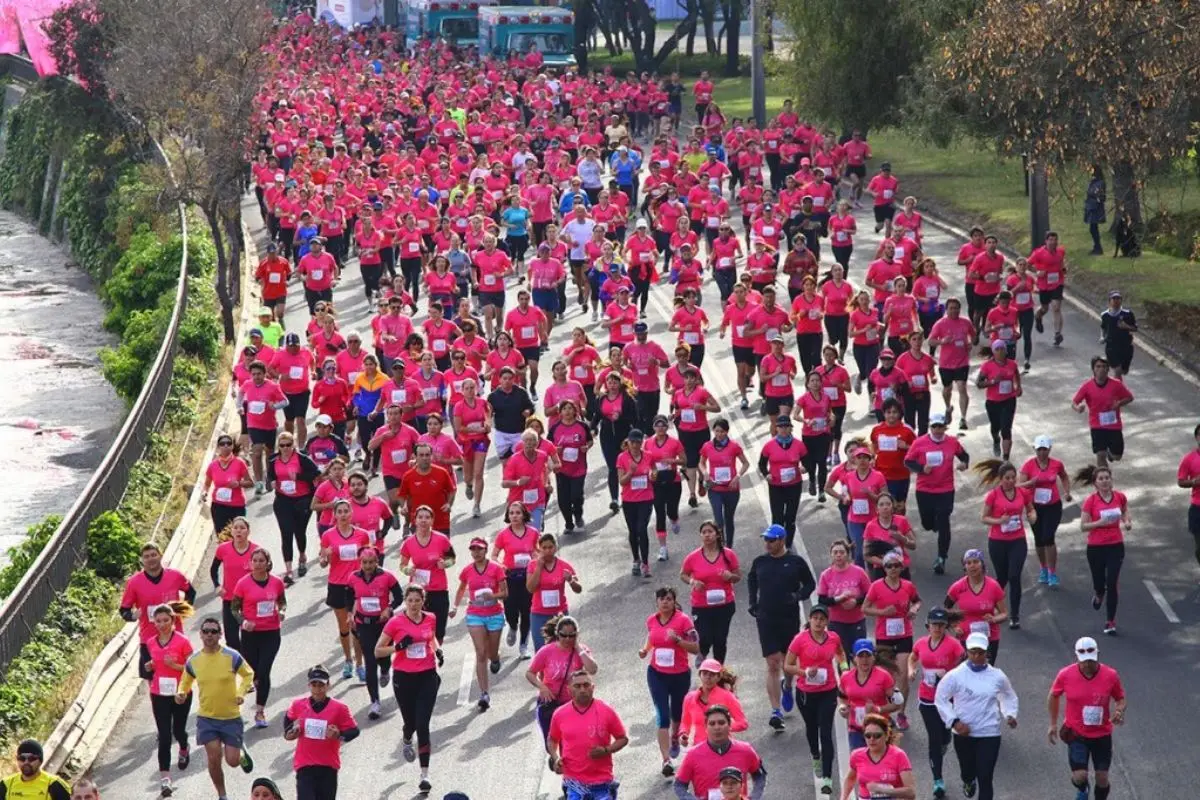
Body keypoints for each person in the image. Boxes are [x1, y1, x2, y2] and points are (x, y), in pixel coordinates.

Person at [175, 618, 255, 800]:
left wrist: (241, 692)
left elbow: (248, 674)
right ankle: (222, 794)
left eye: (213, 631)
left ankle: (240, 752)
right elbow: (185, 681)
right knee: (213, 756)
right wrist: (181, 693)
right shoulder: (194, 660)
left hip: (231, 717)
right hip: (207, 718)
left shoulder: (232, 656)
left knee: (232, 761)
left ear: (220, 635)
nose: (209, 635)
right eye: (206, 631)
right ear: (201, 635)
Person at [747, 523, 816, 730]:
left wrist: (797, 596)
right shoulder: (760, 562)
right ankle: (775, 711)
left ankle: (788, 685)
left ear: (782, 540)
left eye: (771, 540)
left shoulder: (795, 562)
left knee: (788, 661)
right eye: (766, 540)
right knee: (772, 664)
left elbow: (810, 584)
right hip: (766, 618)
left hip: (788, 617)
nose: (767, 544)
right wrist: (753, 602)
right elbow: (752, 580)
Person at [934, 632, 1019, 800]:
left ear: (987, 653)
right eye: (973, 652)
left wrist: (1010, 714)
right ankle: (967, 780)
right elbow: (940, 698)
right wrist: (954, 722)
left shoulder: (997, 675)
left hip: (989, 732)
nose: (976, 656)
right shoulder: (956, 675)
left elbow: (1008, 695)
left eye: (980, 652)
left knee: (985, 777)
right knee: (967, 771)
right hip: (964, 732)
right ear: (967, 652)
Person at [376, 586, 442, 794]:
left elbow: (431, 637)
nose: (414, 605)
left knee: (423, 724)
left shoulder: (430, 618)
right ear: (405, 601)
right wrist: (397, 647)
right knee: (411, 723)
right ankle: (406, 737)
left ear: (423, 601)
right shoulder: (395, 622)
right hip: (404, 678)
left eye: (417, 600)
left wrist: (438, 650)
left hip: (427, 675)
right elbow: (378, 650)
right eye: (410, 601)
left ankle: (424, 775)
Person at [1048, 637, 1127, 800]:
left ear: (1097, 655)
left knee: (1102, 778)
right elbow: (1053, 696)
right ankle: (1082, 788)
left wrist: (1119, 711)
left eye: (1091, 661)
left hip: (1102, 734)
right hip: (1076, 734)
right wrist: (1053, 724)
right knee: (1080, 776)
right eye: (1083, 661)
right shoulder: (1065, 674)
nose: (1087, 665)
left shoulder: (1110, 675)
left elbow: (1121, 698)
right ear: (1076, 656)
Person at [784, 605, 845, 794]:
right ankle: (815, 755)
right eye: (815, 618)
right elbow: (787, 665)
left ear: (827, 622)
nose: (818, 622)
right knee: (812, 729)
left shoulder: (833, 638)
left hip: (828, 691)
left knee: (826, 733)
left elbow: (840, 654)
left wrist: (845, 669)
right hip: (806, 693)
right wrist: (804, 672)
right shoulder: (799, 640)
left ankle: (827, 777)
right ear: (810, 620)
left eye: (822, 619)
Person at [639, 586, 699, 776]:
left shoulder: (683, 621)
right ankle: (666, 760)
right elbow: (651, 638)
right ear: (656, 601)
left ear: (674, 602)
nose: (665, 602)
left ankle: (675, 737)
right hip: (657, 674)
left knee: (677, 714)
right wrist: (645, 650)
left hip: (680, 674)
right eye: (662, 599)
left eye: (669, 599)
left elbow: (696, 648)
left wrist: (679, 641)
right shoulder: (651, 620)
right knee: (662, 715)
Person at [908, 607, 965, 799]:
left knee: (943, 735)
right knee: (933, 739)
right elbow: (913, 657)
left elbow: (963, 661)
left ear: (945, 626)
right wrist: (911, 670)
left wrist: (949, 674)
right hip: (927, 698)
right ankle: (938, 780)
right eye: (934, 625)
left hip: (947, 699)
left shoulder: (953, 644)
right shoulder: (921, 643)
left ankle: (946, 739)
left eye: (941, 625)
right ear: (928, 626)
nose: (938, 628)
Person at [548, 671, 629, 800]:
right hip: (573, 781)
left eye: (586, 685)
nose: (582, 689)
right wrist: (556, 758)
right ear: (569, 690)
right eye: (577, 686)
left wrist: (606, 750)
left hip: (602, 782)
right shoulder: (560, 714)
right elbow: (552, 740)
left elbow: (623, 738)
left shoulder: (606, 710)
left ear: (593, 687)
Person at [863, 551, 921, 730]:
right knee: (886, 678)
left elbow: (917, 601)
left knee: (902, 675)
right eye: (889, 566)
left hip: (904, 634)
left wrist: (914, 610)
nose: (893, 569)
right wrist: (882, 613)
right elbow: (864, 608)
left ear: (901, 567)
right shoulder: (876, 587)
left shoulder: (908, 586)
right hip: (884, 637)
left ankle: (902, 713)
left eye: (896, 565)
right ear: (884, 568)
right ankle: (885, 714)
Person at [906, 412, 970, 575]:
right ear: (930, 427)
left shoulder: (952, 442)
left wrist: (964, 463)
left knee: (944, 520)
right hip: (925, 489)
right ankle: (933, 523)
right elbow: (908, 461)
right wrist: (921, 469)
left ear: (944, 427)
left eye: (940, 426)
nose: (937, 430)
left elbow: (964, 456)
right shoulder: (919, 443)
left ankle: (941, 557)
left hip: (945, 489)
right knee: (927, 524)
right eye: (934, 426)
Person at [283, 665, 360, 800]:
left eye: (321, 685)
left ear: (328, 685)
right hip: (304, 765)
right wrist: (289, 734)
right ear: (309, 685)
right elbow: (287, 723)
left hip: (328, 766)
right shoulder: (298, 705)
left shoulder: (339, 708)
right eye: (314, 684)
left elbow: (354, 731)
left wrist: (338, 735)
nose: (317, 689)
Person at [230, 548, 286, 728]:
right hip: (250, 634)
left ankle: (260, 710)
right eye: (255, 560)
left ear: (268, 563)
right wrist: (243, 621)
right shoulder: (243, 584)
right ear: (250, 563)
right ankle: (255, 683)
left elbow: (282, 602)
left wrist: (282, 612)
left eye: (262, 560)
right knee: (254, 672)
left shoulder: (276, 582)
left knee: (264, 670)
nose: (258, 564)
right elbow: (234, 608)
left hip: (271, 632)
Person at [976, 460, 1036, 628]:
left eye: (1013, 477)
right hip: (998, 541)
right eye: (1007, 478)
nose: (1011, 481)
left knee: (1014, 576)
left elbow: (1030, 508)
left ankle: (1014, 615)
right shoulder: (993, 495)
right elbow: (983, 517)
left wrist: (1032, 516)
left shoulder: (1022, 493)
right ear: (1001, 479)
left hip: (1017, 540)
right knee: (1002, 577)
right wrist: (999, 520)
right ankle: (992, 604)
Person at [452, 537, 509, 711]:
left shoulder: (496, 569)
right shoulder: (467, 570)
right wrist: (455, 607)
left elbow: (505, 593)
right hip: (475, 614)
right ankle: (484, 693)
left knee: (491, 652)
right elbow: (461, 588)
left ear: (485, 550)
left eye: (479, 549)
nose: (476, 553)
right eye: (473, 549)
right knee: (481, 652)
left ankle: (496, 657)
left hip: (494, 614)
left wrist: (493, 596)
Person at [345, 546, 402, 720]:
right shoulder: (353, 578)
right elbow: (348, 596)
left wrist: (389, 609)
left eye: (371, 562)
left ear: (377, 562)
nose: (367, 566)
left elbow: (399, 596)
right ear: (360, 562)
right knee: (370, 661)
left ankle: (385, 670)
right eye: (364, 563)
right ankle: (375, 702)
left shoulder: (387, 577)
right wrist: (350, 614)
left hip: (383, 624)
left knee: (383, 658)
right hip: (364, 624)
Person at [143, 605, 193, 797]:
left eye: (166, 620)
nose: (162, 624)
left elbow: (192, 669)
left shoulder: (183, 642)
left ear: (173, 621)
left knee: (178, 730)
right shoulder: (151, 642)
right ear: (154, 623)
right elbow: (156, 662)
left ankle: (184, 746)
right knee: (164, 735)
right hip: (159, 692)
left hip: (180, 692)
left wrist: (176, 666)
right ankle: (165, 779)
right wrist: (151, 665)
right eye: (158, 621)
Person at [1077, 466, 1131, 635]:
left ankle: (1110, 621)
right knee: (1100, 583)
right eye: (1101, 479)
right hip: (1096, 547)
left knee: (1112, 582)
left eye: (1107, 477)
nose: (1105, 481)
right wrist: (1099, 523)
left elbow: (1125, 511)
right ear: (1095, 483)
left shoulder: (1119, 497)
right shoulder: (1091, 501)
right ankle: (1099, 594)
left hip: (1115, 545)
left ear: (1111, 480)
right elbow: (1083, 526)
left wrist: (1127, 521)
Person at [528, 615, 599, 744]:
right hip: (550, 704)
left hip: (573, 704)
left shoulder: (581, 650)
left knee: (570, 742)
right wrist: (542, 687)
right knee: (552, 742)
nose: (567, 639)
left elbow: (592, 669)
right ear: (557, 634)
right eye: (563, 635)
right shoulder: (546, 651)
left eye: (571, 636)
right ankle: (556, 761)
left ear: (576, 635)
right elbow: (530, 673)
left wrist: (578, 648)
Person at [674, 705, 767, 800]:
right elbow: (679, 785)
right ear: (706, 727)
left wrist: (754, 797)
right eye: (712, 724)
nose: (717, 727)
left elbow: (760, 776)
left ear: (730, 725)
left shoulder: (746, 750)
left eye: (721, 723)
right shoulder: (692, 755)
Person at [680, 520, 741, 665]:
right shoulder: (693, 557)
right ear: (700, 536)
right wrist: (693, 582)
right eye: (704, 532)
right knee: (705, 637)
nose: (707, 535)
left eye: (710, 532)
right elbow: (683, 574)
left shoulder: (728, 554)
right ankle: (702, 652)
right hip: (701, 605)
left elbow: (738, 576)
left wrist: (730, 577)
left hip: (724, 604)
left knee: (720, 639)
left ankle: (718, 670)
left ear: (717, 534)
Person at [1019, 435, 1071, 587]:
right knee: (1039, 539)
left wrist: (1067, 492)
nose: (1042, 453)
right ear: (1035, 449)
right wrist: (1031, 482)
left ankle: (1052, 573)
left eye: (1045, 449)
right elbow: (1019, 486)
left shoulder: (1056, 464)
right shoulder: (1028, 465)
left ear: (1050, 449)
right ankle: (1043, 568)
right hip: (1034, 506)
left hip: (1052, 505)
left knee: (1048, 537)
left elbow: (1064, 476)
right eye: (1039, 449)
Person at [944, 550, 1007, 664]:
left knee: (985, 673)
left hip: (989, 638)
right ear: (965, 567)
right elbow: (945, 610)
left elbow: (1004, 614)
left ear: (982, 564)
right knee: (967, 673)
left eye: (975, 562)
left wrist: (994, 619)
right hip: (965, 637)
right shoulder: (957, 587)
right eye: (968, 563)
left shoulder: (994, 586)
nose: (972, 566)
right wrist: (954, 626)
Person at [837, 639, 901, 750]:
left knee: (880, 764)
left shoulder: (883, 676)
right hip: (856, 729)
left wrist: (878, 709)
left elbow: (897, 703)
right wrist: (842, 707)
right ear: (854, 658)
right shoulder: (846, 677)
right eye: (861, 656)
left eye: (868, 655)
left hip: (879, 730)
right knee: (860, 765)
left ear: (873, 657)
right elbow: (842, 698)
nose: (864, 660)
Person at [1072, 356, 1134, 469]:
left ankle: (1111, 455)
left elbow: (1130, 397)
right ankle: (1104, 477)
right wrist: (1078, 408)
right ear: (1093, 369)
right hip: (1096, 425)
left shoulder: (1116, 384)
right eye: (1098, 366)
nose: (1101, 369)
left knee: (1117, 456)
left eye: (1104, 367)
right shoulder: (1087, 386)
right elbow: (1074, 402)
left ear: (1108, 369)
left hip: (1113, 425)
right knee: (1100, 454)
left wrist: (1119, 404)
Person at [527, 532, 583, 652]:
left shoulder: (564, 565)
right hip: (539, 613)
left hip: (559, 613)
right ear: (539, 548)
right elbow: (530, 588)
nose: (547, 551)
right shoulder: (533, 565)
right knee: (541, 649)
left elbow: (579, 589)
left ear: (556, 547)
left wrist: (570, 580)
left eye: (550, 547)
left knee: (564, 647)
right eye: (544, 548)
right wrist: (539, 568)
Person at [840, 714, 916, 800]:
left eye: (877, 735)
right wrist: (843, 798)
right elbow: (850, 779)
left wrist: (883, 791)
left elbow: (911, 792)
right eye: (868, 735)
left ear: (886, 736)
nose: (872, 739)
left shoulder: (899, 755)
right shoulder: (857, 755)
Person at [697, 419, 749, 545]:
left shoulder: (734, 446)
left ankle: (729, 547)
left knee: (729, 519)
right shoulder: (707, 446)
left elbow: (745, 463)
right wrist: (705, 472)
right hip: (715, 489)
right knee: (719, 520)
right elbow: (701, 462)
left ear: (727, 432)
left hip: (731, 489)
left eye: (722, 431)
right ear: (713, 431)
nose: (719, 434)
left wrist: (737, 476)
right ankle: (720, 546)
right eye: (717, 431)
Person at [816, 539, 872, 657]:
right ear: (831, 555)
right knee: (841, 656)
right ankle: (844, 675)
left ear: (847, 554)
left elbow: (870, 595)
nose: (838, 555)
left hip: (857, 621)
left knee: (858, 655)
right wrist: (838, 599)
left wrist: (855, 602)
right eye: (835, 552)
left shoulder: (859, 572)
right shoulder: (826, 575)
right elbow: (822, 600)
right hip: (836, 623)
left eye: (842, 552)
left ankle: (858, 675)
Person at [678, 661, 748, 748]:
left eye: (712, 674)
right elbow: (685, 722)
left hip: (723, 746)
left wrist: (723, 727)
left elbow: (743, 723)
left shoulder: (727, 696)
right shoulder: (689, 698)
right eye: (705, 673)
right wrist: (683, 734)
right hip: (700, 748)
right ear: (700, 675)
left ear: (718, 677)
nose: (708, 677)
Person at [0, 740, 70, 800]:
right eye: (22, 758)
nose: (26, 762)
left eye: (31, 758)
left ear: (40, 760)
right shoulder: (6, 784)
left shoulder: (55, 785)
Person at [1178, 423, 1200, 574]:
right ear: (1197, 437)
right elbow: (1181, 481)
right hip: (1198, 507)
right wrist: (1193, 482)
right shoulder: (1189, 459)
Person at [1084, 167, 1107, 255]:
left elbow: (1100, 196)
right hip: (1091, 207)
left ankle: (1098, 248)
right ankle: (1097, 247)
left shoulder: (1100, 182)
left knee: (1093, 228)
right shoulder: (1093, 181)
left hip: (1095, 208)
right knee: (1092, 228)